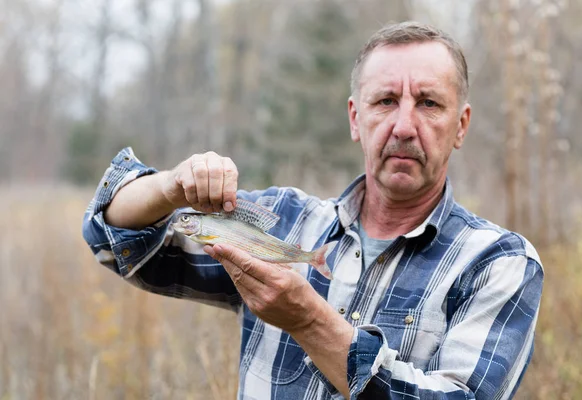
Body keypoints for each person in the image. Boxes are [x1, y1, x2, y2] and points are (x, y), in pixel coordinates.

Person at [82, 21, 544, 400]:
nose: (405, 126)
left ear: (460, 125)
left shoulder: (496, 263)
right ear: (354, 118)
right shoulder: (283, 219)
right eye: (385, 101)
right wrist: (171, 186)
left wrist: (309, 321)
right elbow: (114, 239)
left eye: (428, 103)